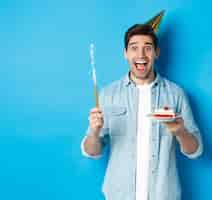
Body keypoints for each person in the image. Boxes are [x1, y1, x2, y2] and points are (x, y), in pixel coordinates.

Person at [81, 24, 203, 200]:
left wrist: (180, 132)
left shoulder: (176, 94)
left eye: (147, 48)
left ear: (156, 52)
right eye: (134, 48)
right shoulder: (108, 94)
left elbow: (196, 151)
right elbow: (92, 152)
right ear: (125, 53)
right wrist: (93, 132)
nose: (141, 55)